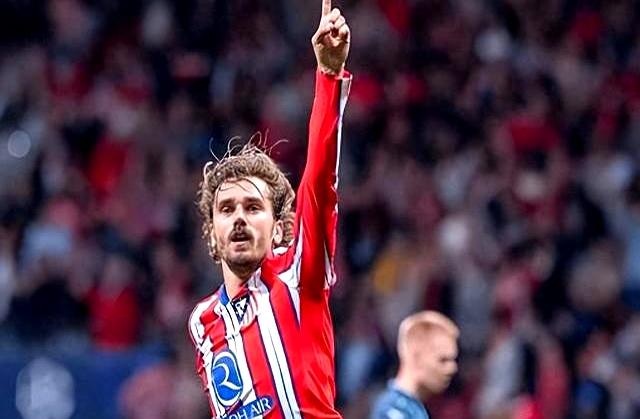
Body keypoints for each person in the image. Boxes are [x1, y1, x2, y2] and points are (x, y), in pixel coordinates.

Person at [187, 1, 351, 418]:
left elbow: (319, 181)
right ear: (212, 235)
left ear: (279, 228)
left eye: (253, 207)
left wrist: (328, 76)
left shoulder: (299, 274)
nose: (239, 218)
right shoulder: (202, 321)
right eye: (226, 209)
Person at [370, 311, 459, 419]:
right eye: (443, 360)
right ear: (416, 357)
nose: (452, 368)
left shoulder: (414, 408)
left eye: (454, 360)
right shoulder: (393, 410)